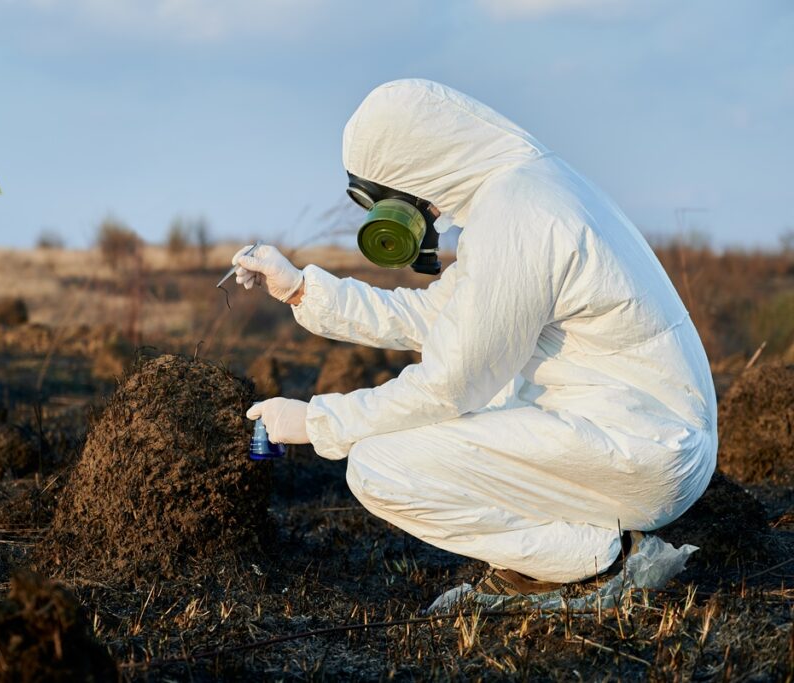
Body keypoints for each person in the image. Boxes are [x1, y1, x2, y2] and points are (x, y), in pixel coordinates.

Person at [234, 79, 716, 593]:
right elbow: (440, 316)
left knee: (380, 465)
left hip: (642, 446)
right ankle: (573, 550)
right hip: (640, 430)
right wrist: (301, 290)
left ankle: (601, 560)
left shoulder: (520, 215)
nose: (414, 213)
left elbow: (449, 385)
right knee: (478, 401)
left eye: (390, 197)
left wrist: (317, 421)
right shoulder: (522, 193)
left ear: (418, 163)